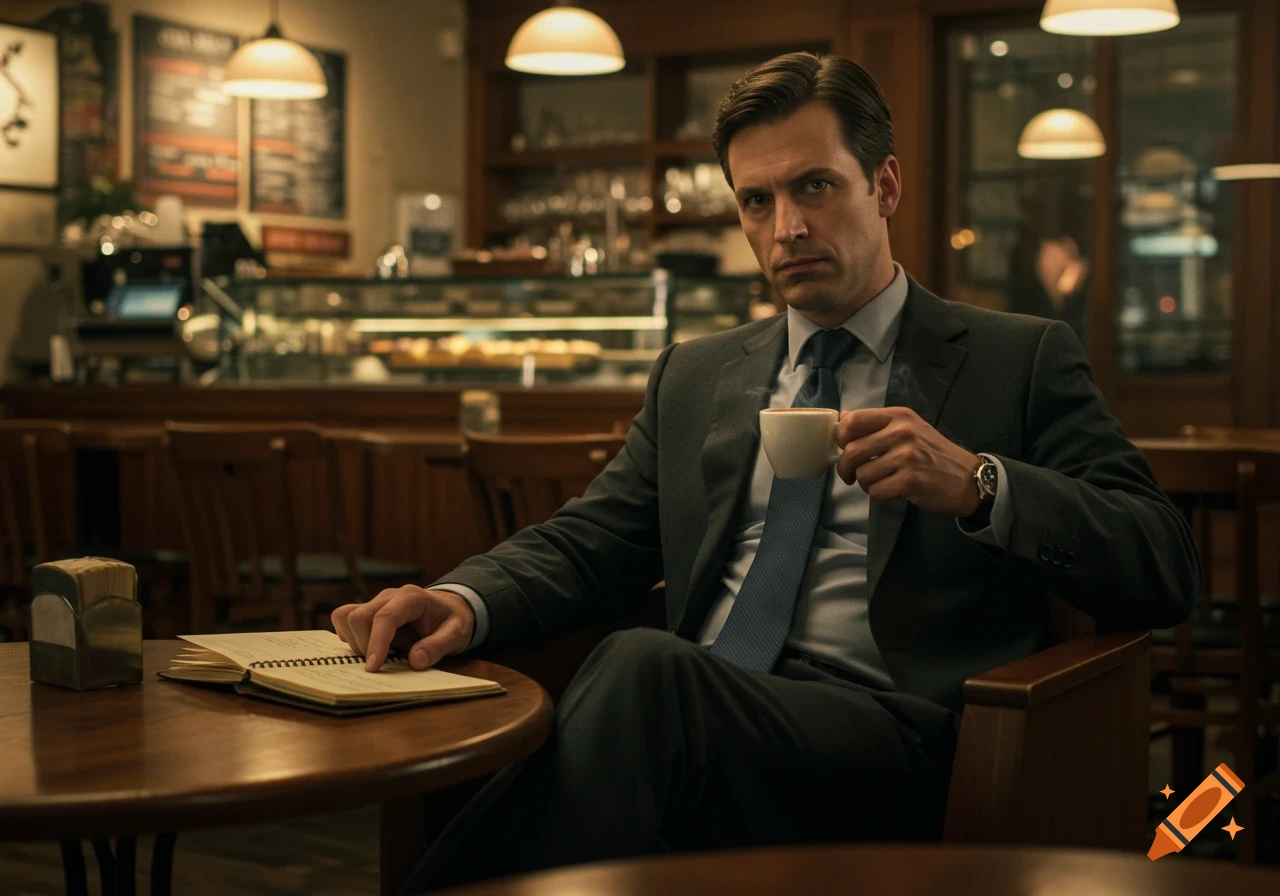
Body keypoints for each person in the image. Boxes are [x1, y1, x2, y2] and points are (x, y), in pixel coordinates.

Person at [332, 52, 1199, 893]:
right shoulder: (695, 374)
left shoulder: (1017, 358)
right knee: (634, 684)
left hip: (899, 735)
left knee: (643, 671)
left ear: (884, 187)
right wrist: (461, 599)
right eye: (757, 200)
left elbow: (1163, 561)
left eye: (814, 187)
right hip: (702, 718)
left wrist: (980, 484)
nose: (786, 227)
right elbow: (592, 540)